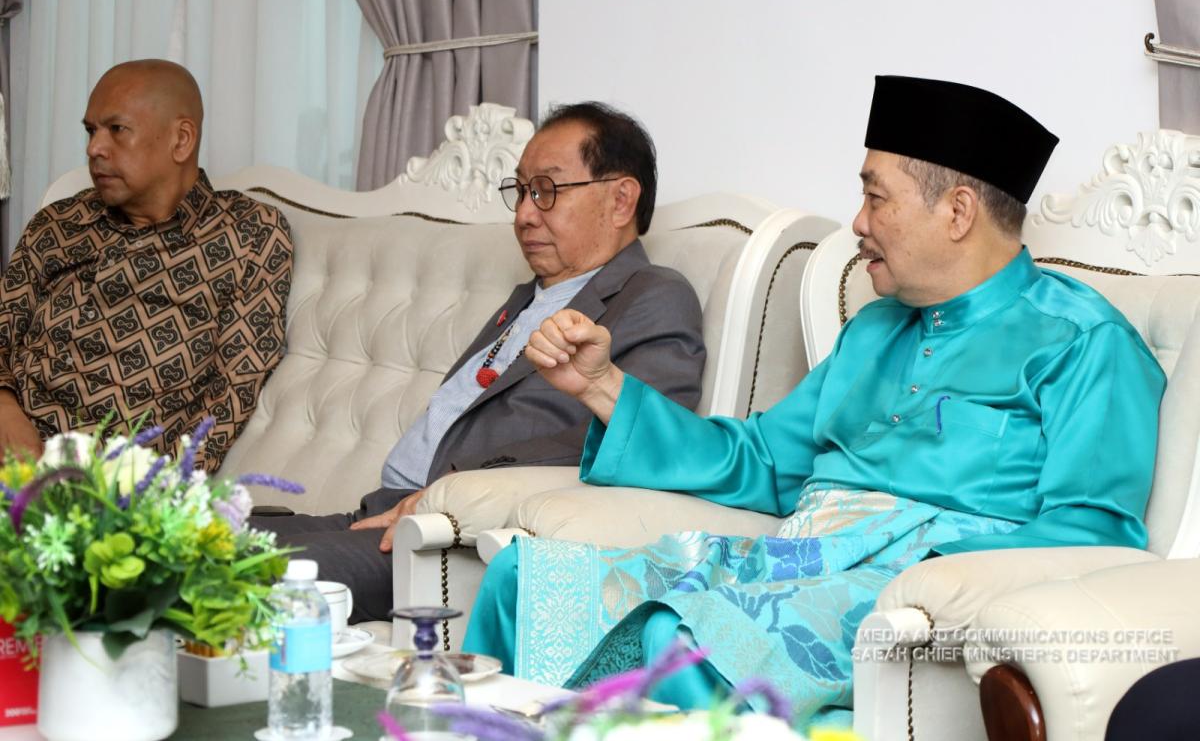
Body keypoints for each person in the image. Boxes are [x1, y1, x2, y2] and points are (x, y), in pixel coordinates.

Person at [463, 76, 1167, 725]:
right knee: (522, 579)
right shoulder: (873, 330)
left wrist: (931, 568)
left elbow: (1092, 533)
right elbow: (763, 461)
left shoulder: (1085, 342)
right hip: (793, 558)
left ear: (956, 212)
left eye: (876, 198)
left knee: (674, 639)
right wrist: (603, 386)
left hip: (906, 597)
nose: (857, 222)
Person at [254, 102, 706, 622]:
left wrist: (451, 496)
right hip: (383, 512)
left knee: (234, 573)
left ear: (621, 200)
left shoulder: (653, 297)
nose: (523, 215)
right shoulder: (528, 299)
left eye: (547, 190)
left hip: (448, 543)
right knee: (196, 542)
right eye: (521, 191)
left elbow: (646, 443)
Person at [0, 59, 292, 472]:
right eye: (91, 130)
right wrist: (4, 406)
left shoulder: (247, 234)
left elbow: (234, 388)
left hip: (99, 481)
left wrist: (158, 491)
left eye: (116, 129)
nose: (94, 148)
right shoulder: (60, 222)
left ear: (181, 139)